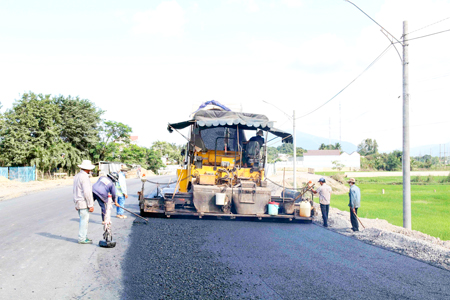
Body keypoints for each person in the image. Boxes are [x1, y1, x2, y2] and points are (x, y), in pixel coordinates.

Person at [73, 160, 96, 244]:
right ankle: (82, 238)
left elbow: (75, 190)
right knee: (84, 221)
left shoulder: (77, 176)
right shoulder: (85, 177)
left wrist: (75, 202)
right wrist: (91, 204)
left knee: (83, 220)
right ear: (88, 169)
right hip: (83, 202)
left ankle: (84, 236)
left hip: (78, 201)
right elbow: (87, 192)